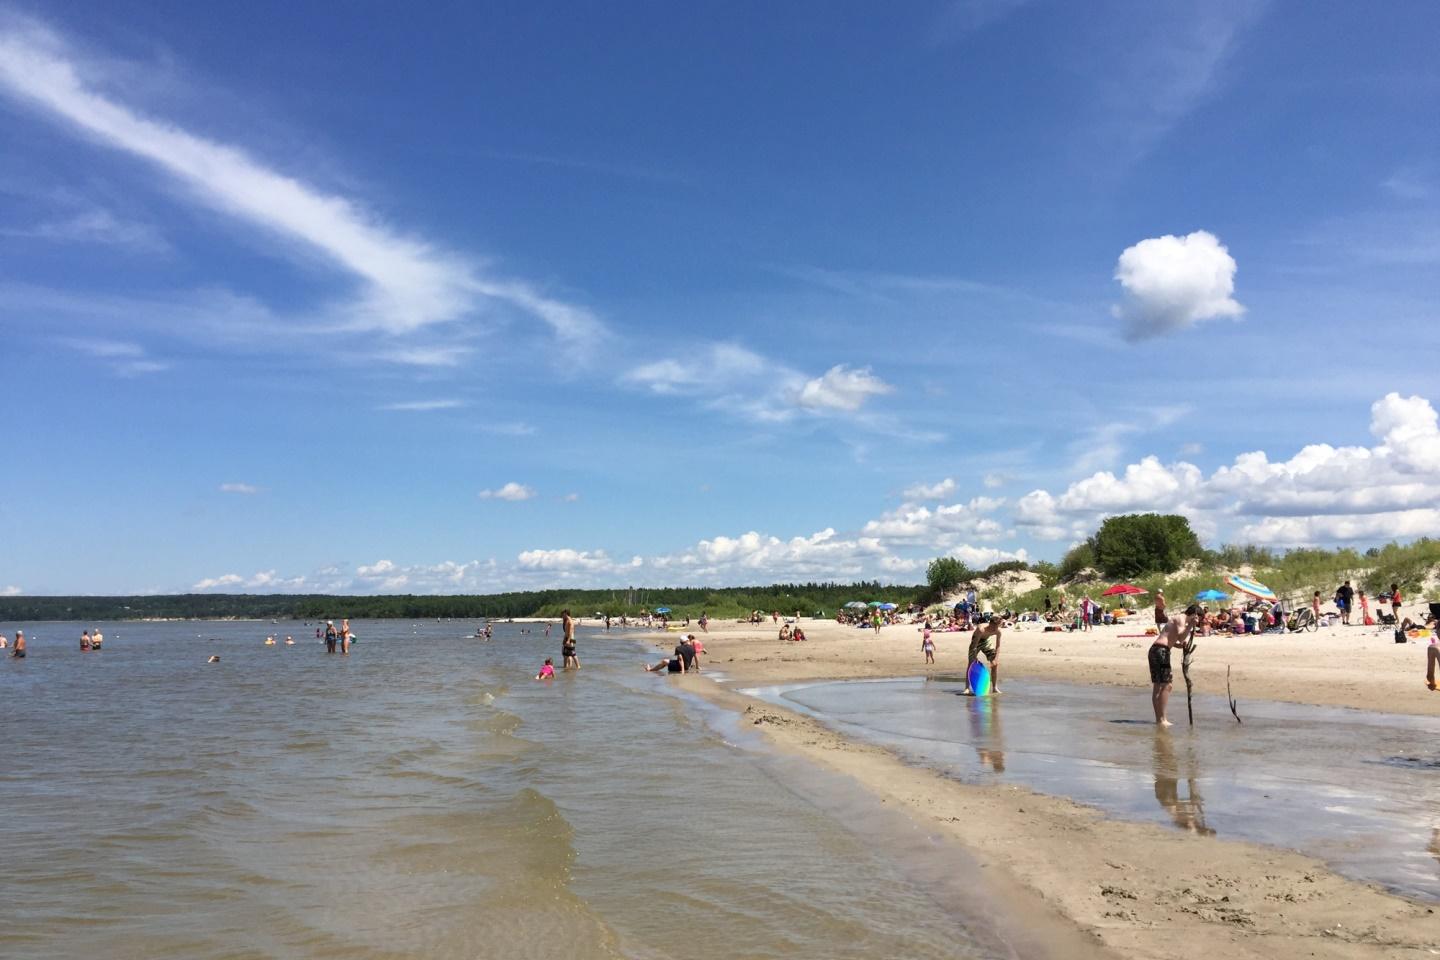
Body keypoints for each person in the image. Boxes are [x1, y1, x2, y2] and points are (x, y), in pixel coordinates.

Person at [1150, 605, 1201, 727]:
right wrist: (1190, 625)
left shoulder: (1178, 619)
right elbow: (1181, 636)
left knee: (1158, 685)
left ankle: (1159, 719)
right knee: (1167, 685)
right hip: (1161, 651)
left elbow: (1171, 638)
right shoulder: (1181, 619)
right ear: (1194, 614)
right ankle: (1162, 719)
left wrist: (1179, 645)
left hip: (1156, 650)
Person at [965, 616, 1003, 695]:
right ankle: (967, 688)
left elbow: (998, 646)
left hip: (986, 642)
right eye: (994, 626)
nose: (995, 629)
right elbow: (974, 645)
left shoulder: (998, 631)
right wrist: (975, 657)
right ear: (990, 624)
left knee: (995, 664)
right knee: (971, 663)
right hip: (976, 641)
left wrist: (995, 659)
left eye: (997, 626)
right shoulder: (981, 629)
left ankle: (995, 688)